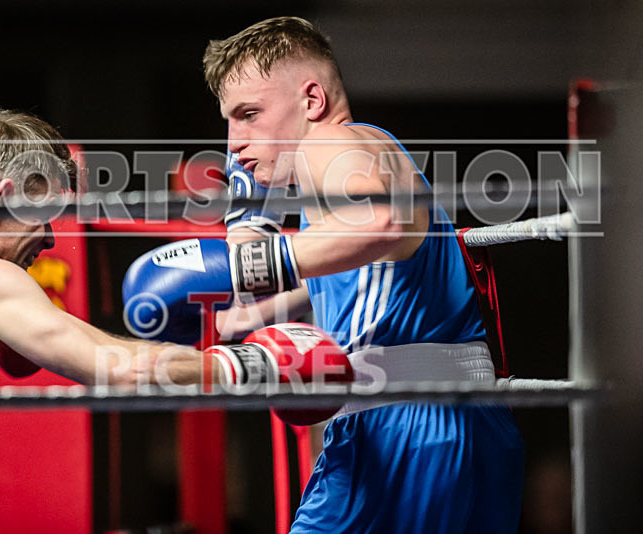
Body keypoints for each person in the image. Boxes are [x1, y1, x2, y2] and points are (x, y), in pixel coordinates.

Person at [0, 103, 349, 534]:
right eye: (43, 218)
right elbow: (121, 369)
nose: (46, 240)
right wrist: (259, 364)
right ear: (4, 197)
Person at [125, 16, 524, 533]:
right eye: (229, 121)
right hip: (474, 422)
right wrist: (249, 238)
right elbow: (365, 274)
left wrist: (249, 261)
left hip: (397, 425)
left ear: (312, 101)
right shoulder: (368, 155)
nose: (234, 142)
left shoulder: (327, 146)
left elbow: (381, 223)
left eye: (249, 114)